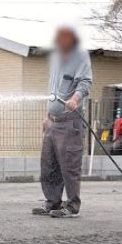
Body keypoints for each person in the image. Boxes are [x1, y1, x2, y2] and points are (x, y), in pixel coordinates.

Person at [34, 23, 92, 218]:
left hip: (70, 122)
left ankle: (72, 205)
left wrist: (75, 100)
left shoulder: (80, 55)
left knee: (69, 166)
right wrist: (46, 116)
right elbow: (52, 92)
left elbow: (85, 82)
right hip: (53, 122)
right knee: (49, 165)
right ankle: (52, 202)